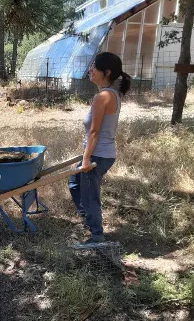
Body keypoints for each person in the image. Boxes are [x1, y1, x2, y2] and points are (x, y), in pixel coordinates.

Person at [68, 52, 131, 244]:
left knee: (89, 197)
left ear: (107, 72)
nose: (90, 70)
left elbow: (94, 132)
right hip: (101, 153)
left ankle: (96, 236)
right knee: (74, 183)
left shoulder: (103, 97)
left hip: (98, 155)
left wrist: (86, 159)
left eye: (94, 67)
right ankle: (90, 223)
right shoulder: (112, 94)